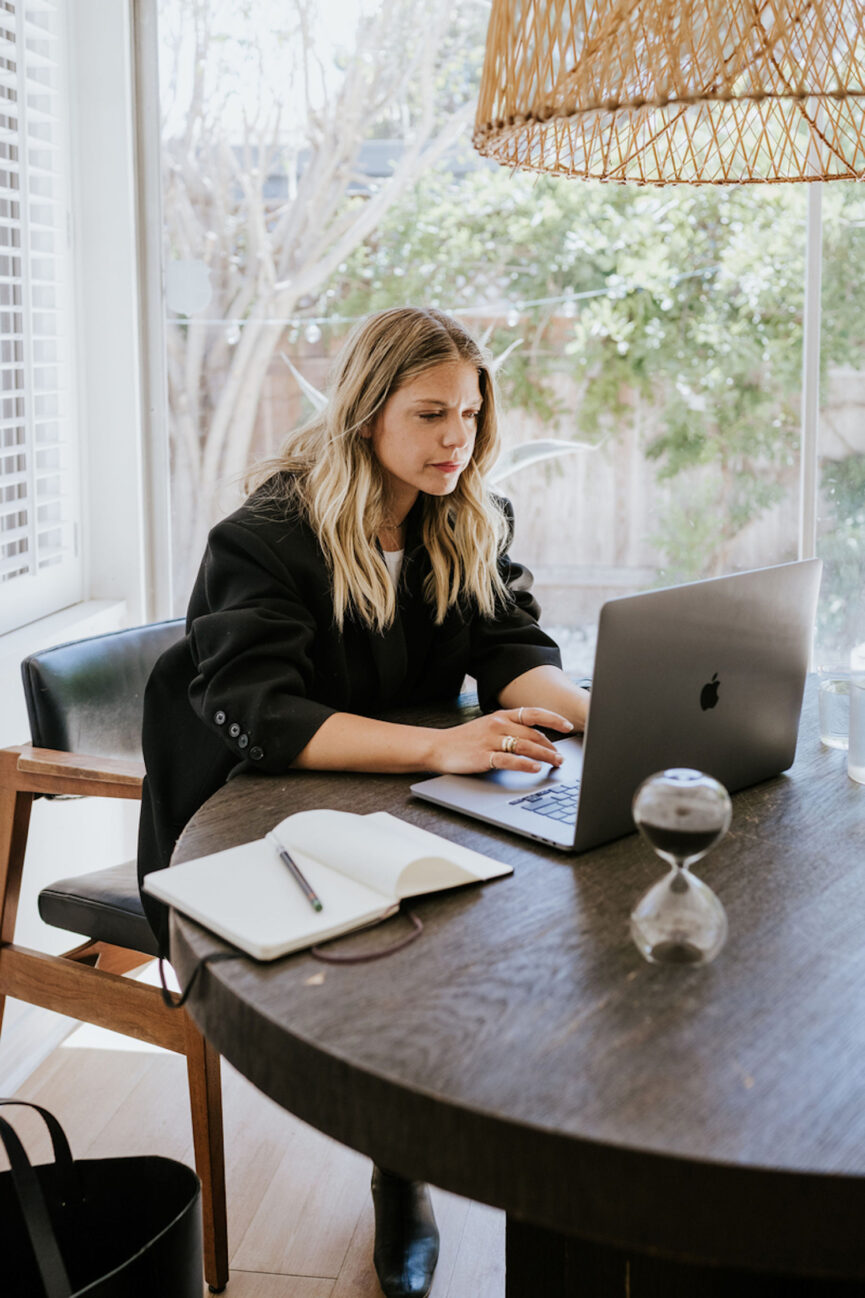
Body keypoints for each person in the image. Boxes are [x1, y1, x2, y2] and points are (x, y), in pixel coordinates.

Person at [137, 305, 590, 1298]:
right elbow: (266, 709)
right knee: (417, 945)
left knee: (505, 903)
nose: (456, 437)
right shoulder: (265, 537)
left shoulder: (467, 512)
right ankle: (402, 1168)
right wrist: (439, 742)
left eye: (469, 413)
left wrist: (593, 713)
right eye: (431, 412)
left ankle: (444, 1144)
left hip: (391, 790)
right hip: (253, 806)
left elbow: (507, 649)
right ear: (365, 412)